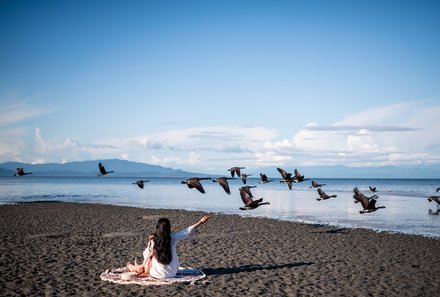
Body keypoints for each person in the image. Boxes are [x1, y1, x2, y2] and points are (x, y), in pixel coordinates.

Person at [127, 215, 209, 278]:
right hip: (172, 272)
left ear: (157, 228)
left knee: (148, 253)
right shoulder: (172, 237)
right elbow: (186, 232)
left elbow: (147, 255)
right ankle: (138, 267)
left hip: (156, 273)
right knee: (150, 253)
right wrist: (200, 222)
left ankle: (137, 267)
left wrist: (143, 263)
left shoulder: (153, 239)